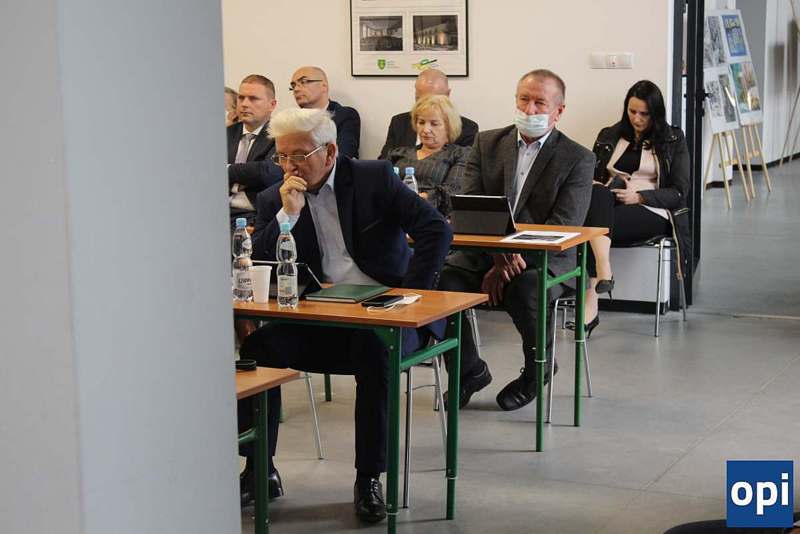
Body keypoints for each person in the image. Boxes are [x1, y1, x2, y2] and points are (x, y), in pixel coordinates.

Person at [237, 108, 452, 523]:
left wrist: (413, 293)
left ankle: (368, 477)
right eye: (282, 156)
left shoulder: (373, 178)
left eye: (299, 155)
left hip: (389, 317)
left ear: (330, 151)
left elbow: (435, 229)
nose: (289, 166)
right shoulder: (273, 197)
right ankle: (259, 470)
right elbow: (259, 260)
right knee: (258, 348)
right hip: (325, 317)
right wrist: (287, 215)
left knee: (374, 352)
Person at [438, 69, 594, 411]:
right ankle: (468, 371)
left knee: (526, 289)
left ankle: (538, 370)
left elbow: (563, 225)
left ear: (559, 111)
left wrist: (507, 263)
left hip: (549, 259)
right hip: (488, 253)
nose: (529, 109)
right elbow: (471, 207)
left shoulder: (578, 158)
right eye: (524, 99)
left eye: (540, 103)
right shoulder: (487, 143)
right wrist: (499, 258)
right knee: (444, 281)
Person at [582, 80, 691, 334]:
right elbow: (590, 175)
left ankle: (592, 296)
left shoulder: (674, 139)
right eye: (632, 111)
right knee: (596, 195)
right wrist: (597, 182)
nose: (637, 119)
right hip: (608, 203)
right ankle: (603, 273)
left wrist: (639, 197)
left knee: (589, 229)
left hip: (653, 209)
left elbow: (679, 192)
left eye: (644, 113)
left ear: (656, 113)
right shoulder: (609, 135)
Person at [383, 94, 468, 216]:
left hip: (432, 216)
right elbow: (379, 185)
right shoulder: (397, 153)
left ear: (449, 126)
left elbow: (452, 192)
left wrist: (416, 199)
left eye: (434, 124)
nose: (426, 130)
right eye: (421, 122)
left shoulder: (459, 154)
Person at [379, 68, 478, 159]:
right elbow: (384, 162)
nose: (425, 105)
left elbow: (466, 167)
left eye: (432, 100)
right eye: (419, 99)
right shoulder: (399, 122)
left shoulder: (467, 128)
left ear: (447, 95)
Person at [226, 74, 283, 227]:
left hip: (256, 215)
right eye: (241, 98)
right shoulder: (225, 134)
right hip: (219, 211)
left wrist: (227, 169)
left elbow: (268, 172)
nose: (244, 104)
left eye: (253, 99)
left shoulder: (281, 135)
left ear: (272, 105)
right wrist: (249, 173)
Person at [290, 66, 361, 158]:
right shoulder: (291, 121)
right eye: (293, 86)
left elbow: (344, 157)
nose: (296, 89)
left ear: (324, 86)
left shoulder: (345, 116)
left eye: (303, 82)